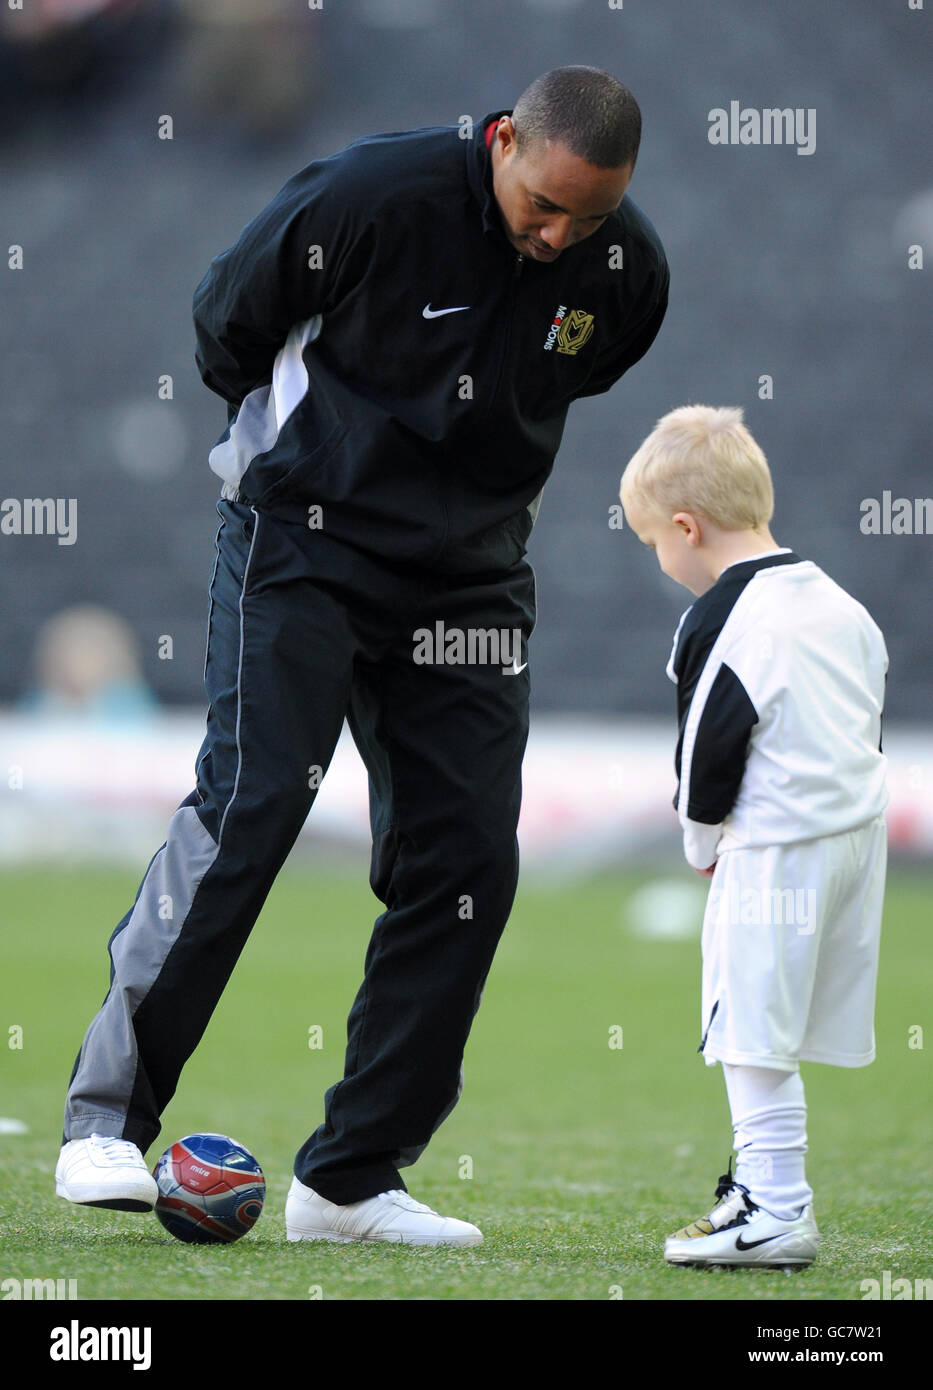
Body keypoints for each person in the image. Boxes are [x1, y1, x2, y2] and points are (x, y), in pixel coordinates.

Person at [55, 66, 669, 1246]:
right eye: (544, 204)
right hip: (305, 547)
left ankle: (350, 1179)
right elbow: (226, 320)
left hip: (473, 579)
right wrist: (316, 464)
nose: (559, 237)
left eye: (586, 220)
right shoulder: (371, 196)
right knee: (253, 802)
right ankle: (104, 1122)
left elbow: (579, 371)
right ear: (502, 141)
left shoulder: (624, 268)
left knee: (469, 857)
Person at [620, 405, 888, 1267]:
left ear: (686, 528)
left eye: (653, 540)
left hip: (773, 847)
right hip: (854, 837)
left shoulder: (722, 619)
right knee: (776, 1025)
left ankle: (775, 1207)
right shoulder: (842, 604)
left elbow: (707, 746)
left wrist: (701, 845)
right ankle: (762, 1194)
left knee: (746, 1031)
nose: (658, 558)